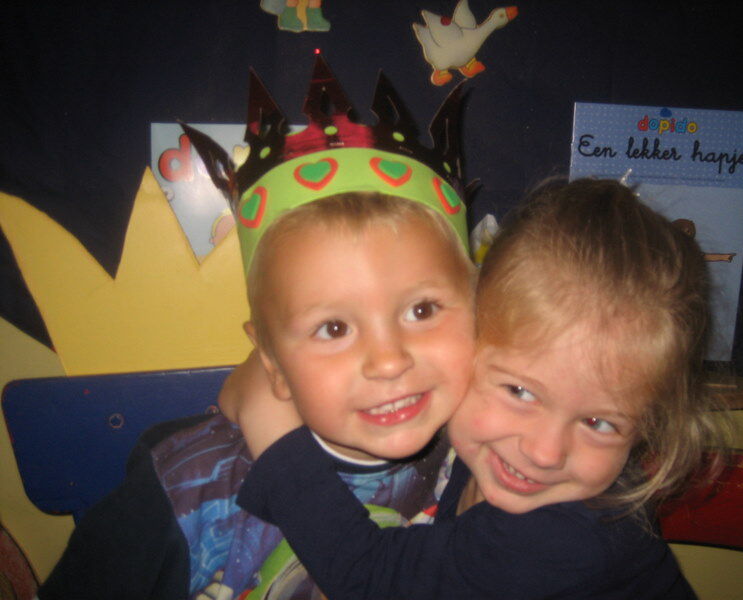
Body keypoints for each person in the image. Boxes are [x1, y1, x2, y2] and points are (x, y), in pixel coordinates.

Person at [38, 57, 477, 600]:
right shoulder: (187, 494)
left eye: (422, 310)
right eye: (333, 327)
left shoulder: (493, 451)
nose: (389, 361)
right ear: (271, 362)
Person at [232, 178, 733, 599]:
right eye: (520, 392)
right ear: (471, 339)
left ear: (647, 422)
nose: (544, 453)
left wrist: (271, 428)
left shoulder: (568, 535)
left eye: (599, 422)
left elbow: (373, 579)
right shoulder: (481, 451)